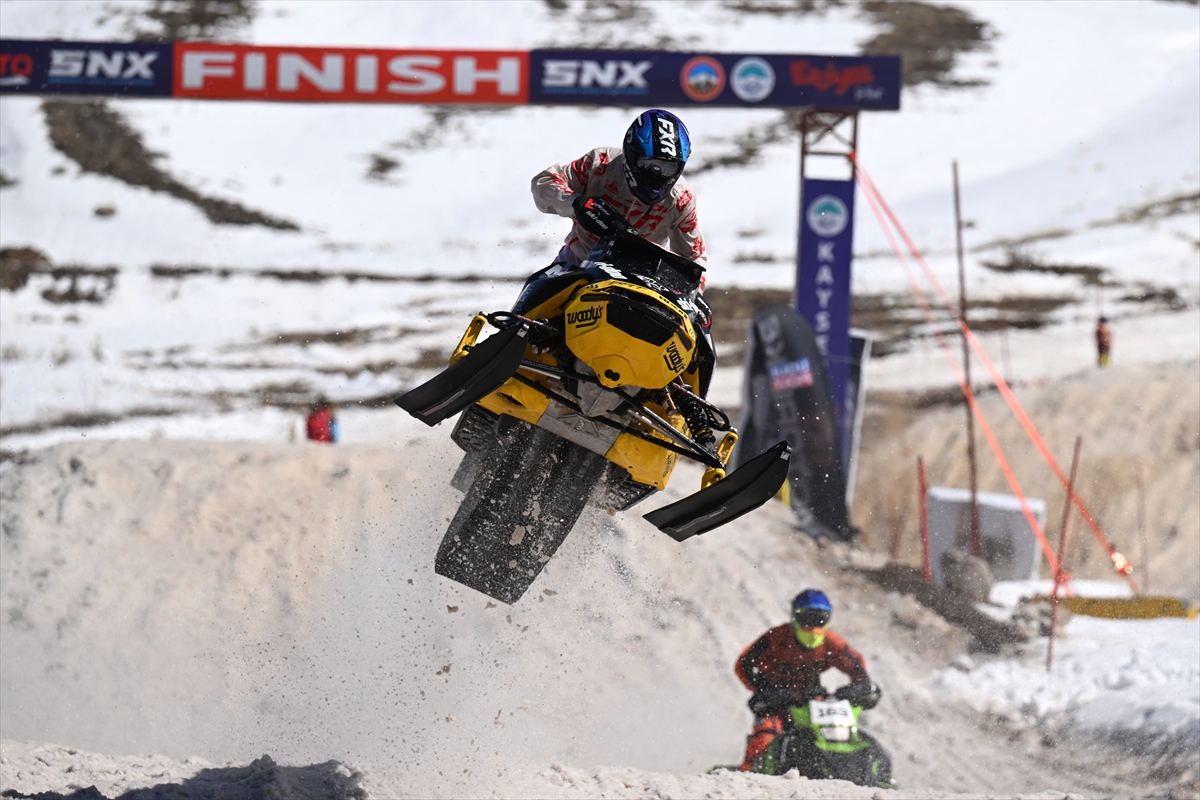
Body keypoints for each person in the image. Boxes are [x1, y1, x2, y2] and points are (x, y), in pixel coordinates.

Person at [530, 108, 707, 275]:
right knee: (537, 292)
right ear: (631, 153)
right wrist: (576, 204)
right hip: (578, 258)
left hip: (640, 274)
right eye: (649, 165)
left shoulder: (682, 198)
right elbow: (544, 182)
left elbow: (693, 258)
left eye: (668, 168)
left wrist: (691, 292)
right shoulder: (600, 162)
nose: (656, 176)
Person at [734, 589, 881, 772]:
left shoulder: (832, 642)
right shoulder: (776, 637)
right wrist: (763, 690)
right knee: (764, 738)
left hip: (810, 704)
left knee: (839, 736)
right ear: (795, 617)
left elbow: (857, 667)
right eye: (807, 619)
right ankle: (745, 777)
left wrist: (858, 688)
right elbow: (744, 664)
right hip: (775, 704)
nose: (813, 627)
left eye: (820, 620)